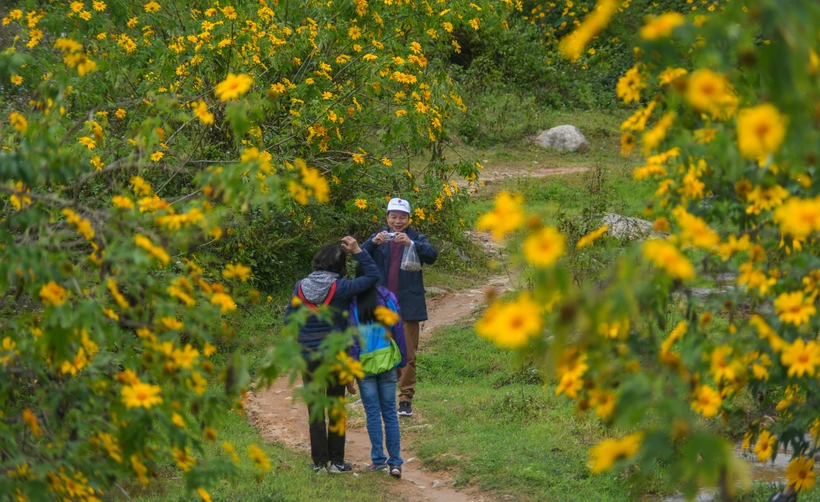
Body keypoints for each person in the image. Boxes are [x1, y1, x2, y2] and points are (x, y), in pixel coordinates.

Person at [284, 236, 380, 474]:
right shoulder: (342, 287)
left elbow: (290, 319)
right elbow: (372, 276)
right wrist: (358, 250)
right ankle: (337, 461)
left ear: (317, 261)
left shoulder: (300, 287)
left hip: (308, 355)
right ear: (339, 265)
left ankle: (319, 464)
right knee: (336, 405)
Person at [362, 198, 438, 417]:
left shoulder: (415, 238)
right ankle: (377, 394)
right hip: (381, 304)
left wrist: (411, 244)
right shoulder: (380, 238)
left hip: (408, 305)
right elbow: (360, 259)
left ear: (408, 219)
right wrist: (372, 243)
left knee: (408, 353)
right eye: (393, 217)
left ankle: (405, 398)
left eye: (402, 217)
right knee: (378, 350)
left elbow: (432, 255)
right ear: (386, 218)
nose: (397, 221)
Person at [349, 264, 407, 478]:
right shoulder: (388, 297)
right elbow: (398, 330)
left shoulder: (353, 302)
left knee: (372, 414)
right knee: (390, 413)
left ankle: (378, 461)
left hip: (364, 366)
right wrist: (402, 361)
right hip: (387, 362)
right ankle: (395, 463)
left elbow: (353, 341)